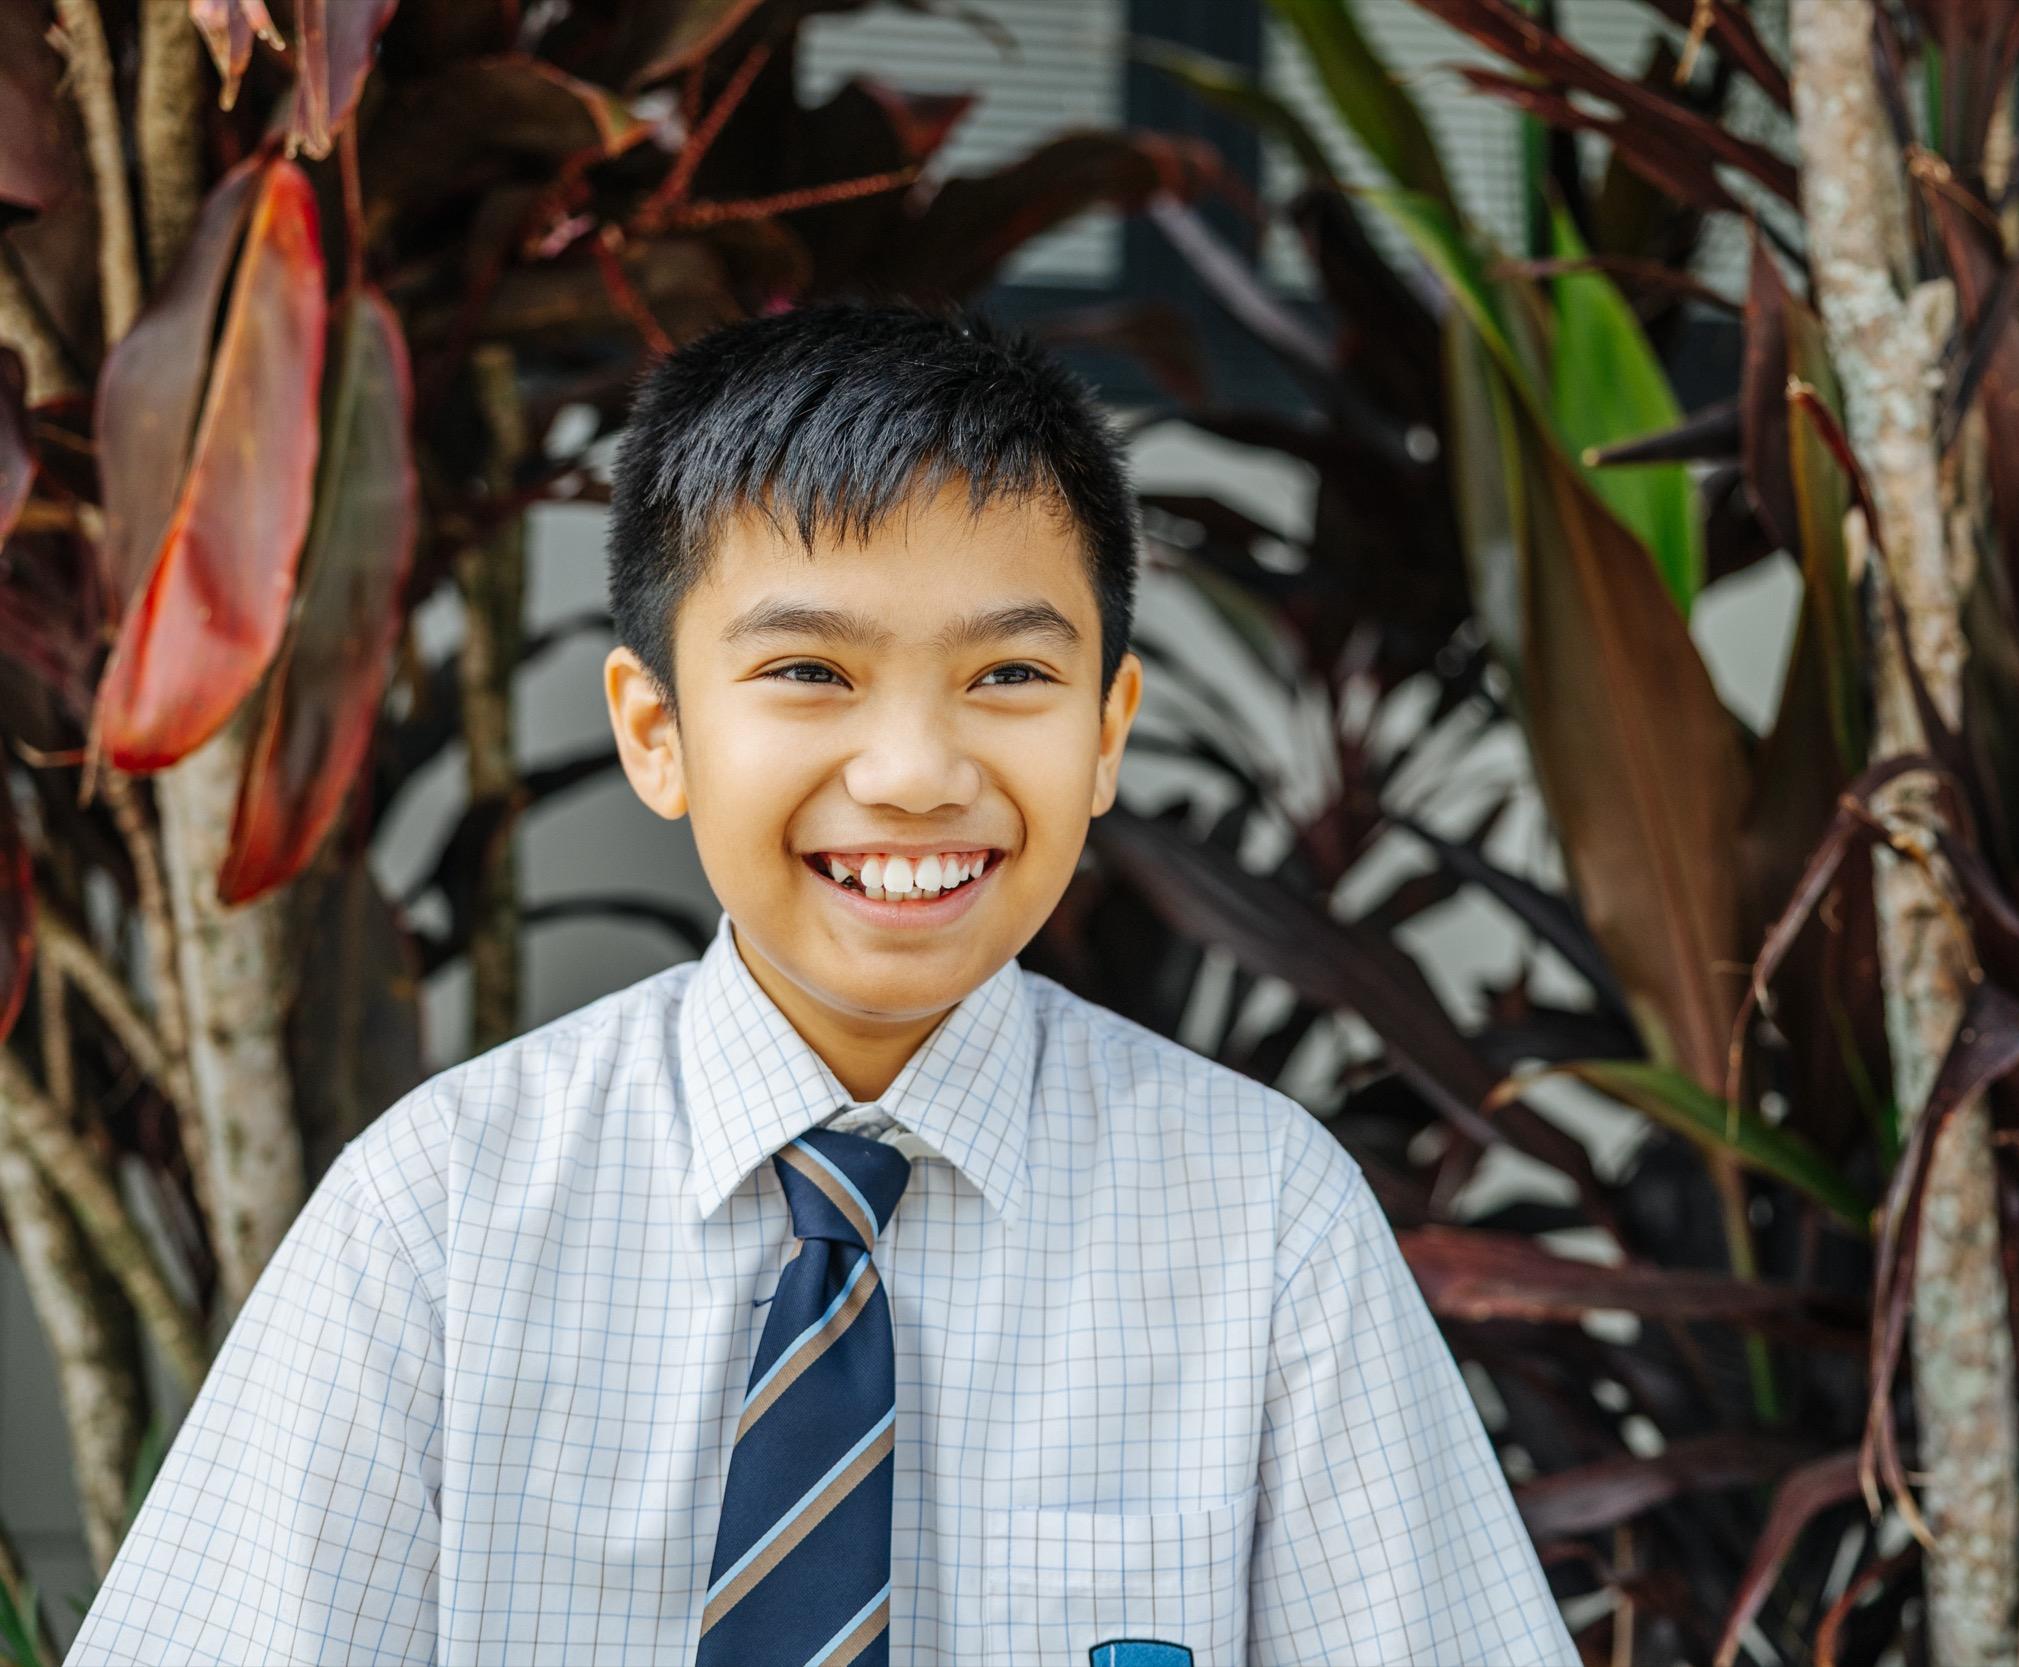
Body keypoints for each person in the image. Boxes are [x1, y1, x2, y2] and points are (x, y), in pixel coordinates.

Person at [66, 304, 1577, 1666]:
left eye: (1009, 677)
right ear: (655, 731)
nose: (916, 774)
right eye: (809, 674)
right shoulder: (442, 1219)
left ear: (1108, 730)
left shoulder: (1265, 1231)